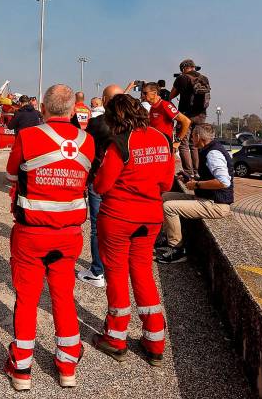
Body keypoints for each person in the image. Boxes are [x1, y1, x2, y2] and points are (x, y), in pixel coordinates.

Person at [4, 84, 94, 391]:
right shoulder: (87, 141)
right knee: (63, 298)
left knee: (27, 300)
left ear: (43, 109)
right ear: (72, 111)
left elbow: (12, 175)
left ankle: (21, 370)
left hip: (31, 234)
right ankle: (67, 366)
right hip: (68, 236)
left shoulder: (28, 137)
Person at [90, 94, 174, 367]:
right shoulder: (162, 139)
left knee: (116, 275)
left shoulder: (119, 143)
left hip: (118, 217)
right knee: (143, 272)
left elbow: (101, 186)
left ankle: (115, 338)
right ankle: (155, 342)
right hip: (149, 218)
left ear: (115, 118)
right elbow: (166, 182)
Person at [156, 123, 234, 264]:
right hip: (206, 198)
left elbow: (224, 182)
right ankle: (167, 238)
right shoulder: (209, 150)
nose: (191, 139)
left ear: (198, 136)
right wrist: (190, 179)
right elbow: (210, 178)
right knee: (165, 197)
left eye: (192, 136)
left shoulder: (213, 153)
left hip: (217, 204)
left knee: (169, 207)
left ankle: (176, 249)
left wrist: (197, 184)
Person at [77, 85, 122, 288]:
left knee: (97, 227)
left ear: (104, 100)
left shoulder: (98, 123)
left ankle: (97, 271)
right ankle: (116, 268)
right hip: (122, 181)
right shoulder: (131, 123)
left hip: (99, 179)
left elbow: (82, 145)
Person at [170, 59, 211, 177]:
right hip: (201, 115)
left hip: (185, 115)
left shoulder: (181, 78)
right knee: (195, 144)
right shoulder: (204, 78)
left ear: (183, 68)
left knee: (183, 143)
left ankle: (188, 172)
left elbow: (171, 95)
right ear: (194, 67)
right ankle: (197, 171)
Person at [143, 82, 191, 151]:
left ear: (154, 93)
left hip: (164, 147)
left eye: (145, 93)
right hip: (155, 147)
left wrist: (177, 141)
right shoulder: (153, 107)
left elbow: (186, 121)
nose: (143, 95)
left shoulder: (165, 105)